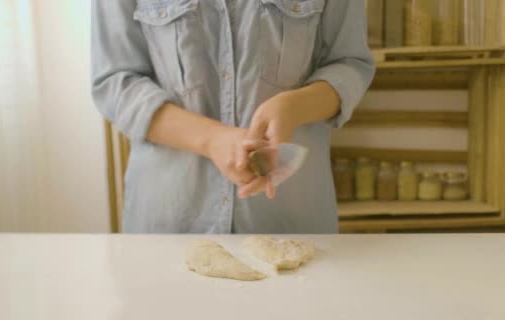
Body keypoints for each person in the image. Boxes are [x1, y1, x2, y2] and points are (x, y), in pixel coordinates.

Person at [91, 0, 375, 234]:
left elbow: (350, 64)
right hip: (168, 227)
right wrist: (212, 140)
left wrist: (294, 107)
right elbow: (116, 82)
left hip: (288, 223)